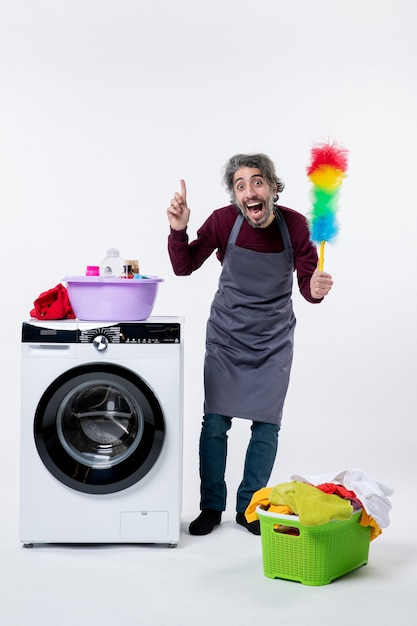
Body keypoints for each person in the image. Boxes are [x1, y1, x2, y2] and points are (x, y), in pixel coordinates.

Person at [166, 153, 333, 536]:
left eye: (257, 182)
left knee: (266, 426)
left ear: (273, 187)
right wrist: (179, 231)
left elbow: (308, 286)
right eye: (240, 185)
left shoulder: (295, 226)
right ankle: (211, 506)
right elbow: (185, 265)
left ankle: (250, 508)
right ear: (235, 195)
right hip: (227, 336)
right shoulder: (224, 221)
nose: (249, 191)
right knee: (215, 422)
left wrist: (316, 288)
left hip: (273, 341)